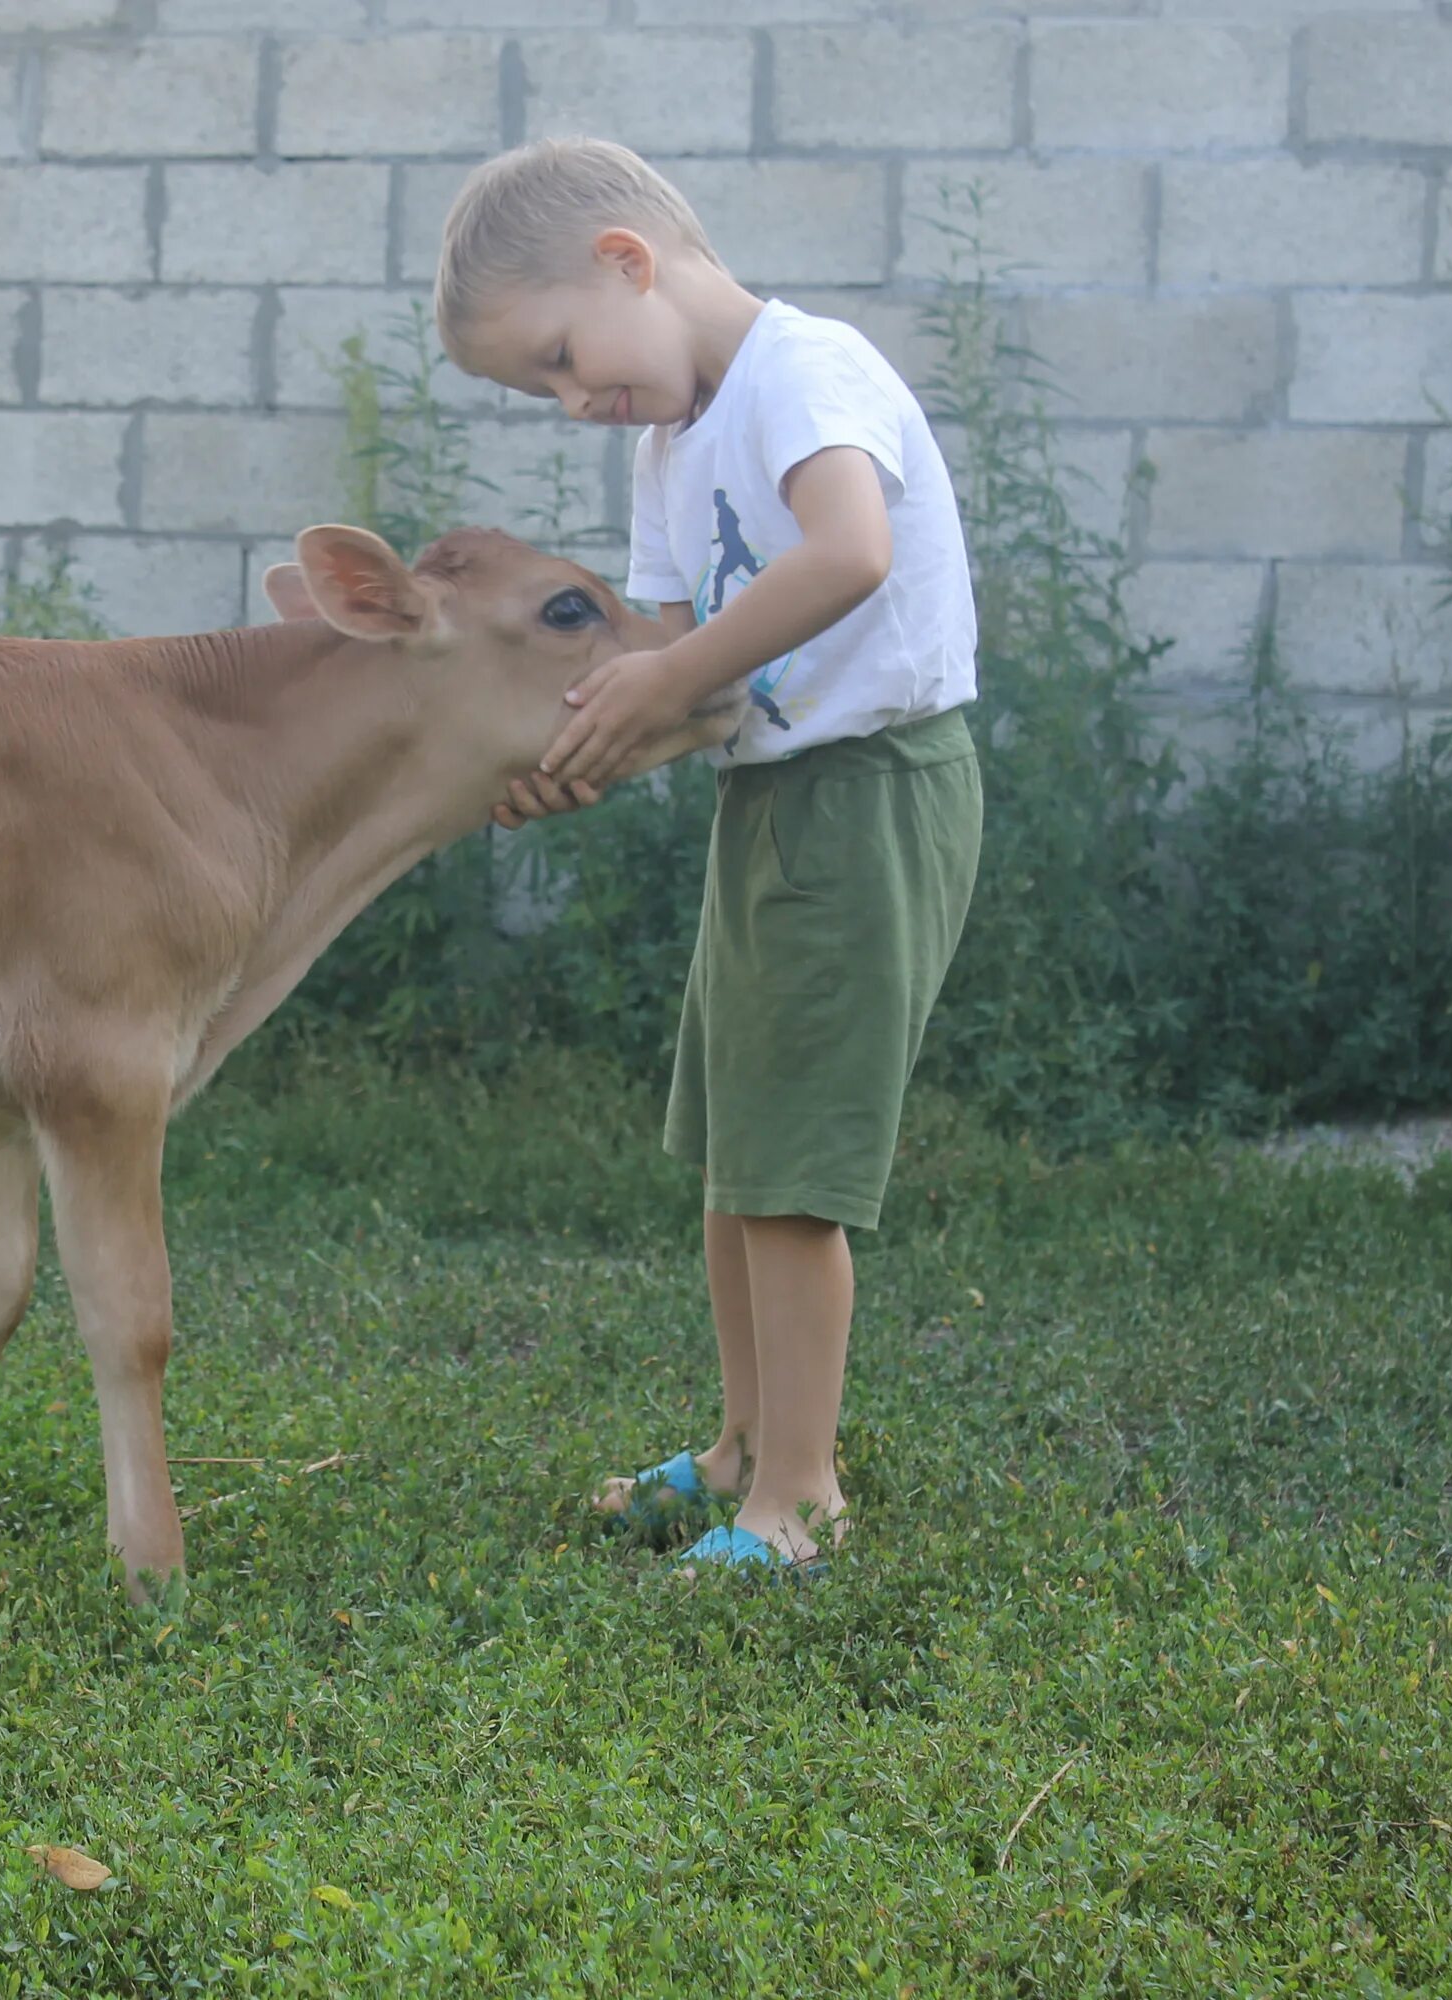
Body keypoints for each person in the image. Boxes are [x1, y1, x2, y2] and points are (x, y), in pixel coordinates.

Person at [432, 137, 984, 1572]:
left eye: (561, 355)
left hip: (871, 791)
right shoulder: (668, 448)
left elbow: (849, 552)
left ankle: (799, 1496)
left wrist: (664, 689)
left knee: (796, 1170)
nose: (569, 400)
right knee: (740, 1155)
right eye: (537, 389)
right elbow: (680, 670)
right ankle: (742, 1444)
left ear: (628, 261)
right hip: (774, 802)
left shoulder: (805, 370)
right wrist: (579, 759)